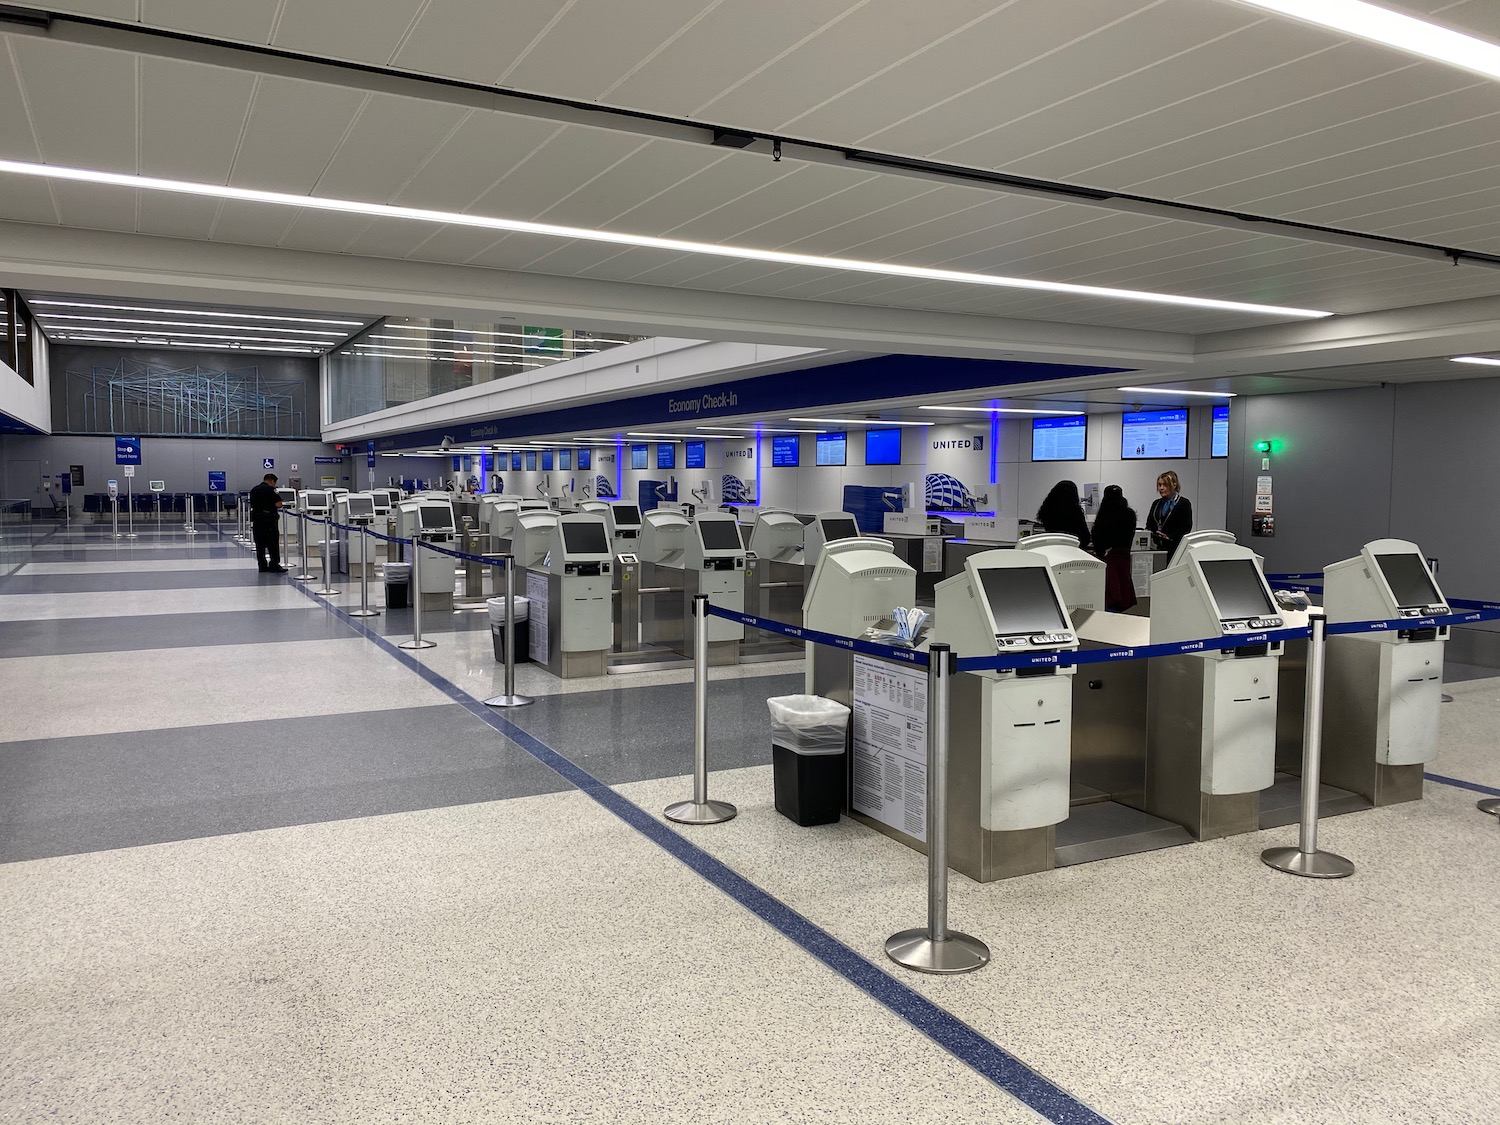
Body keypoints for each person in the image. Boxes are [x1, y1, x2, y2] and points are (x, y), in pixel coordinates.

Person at [1090, 484, 1138, 613]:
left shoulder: (1104, 515)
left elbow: (1097, 537)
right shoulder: (1129, 514)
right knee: (1122, 590)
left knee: (1110, 593)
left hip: (1108, 559)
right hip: (1123, 557)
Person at [1145, 470, 1193, 558]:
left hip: (1174, 548)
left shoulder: (1183, 503)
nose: (1161, 488)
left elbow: (1186, 528)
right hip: (1156, 548)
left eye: (1165, 485)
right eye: (1159, 485)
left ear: (1174, 485)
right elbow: (1149, 524)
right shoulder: (1156, 503)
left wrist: (1169, 537)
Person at [249, 473, 288, 573]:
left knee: (260, 545)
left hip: (257, 520)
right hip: (269, 521)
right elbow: (278, 504)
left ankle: (262, 566)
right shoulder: (271, 490)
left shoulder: (254, 489)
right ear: (272, 481)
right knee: (272, 544)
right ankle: (274, 565)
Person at [1035, 480, 1091, 550]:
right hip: (1072, 549)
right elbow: (1085, 538)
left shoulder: (1047, 511)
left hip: (1053, 548)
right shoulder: (1075, 512)